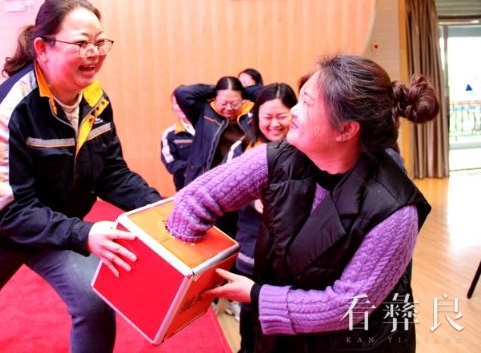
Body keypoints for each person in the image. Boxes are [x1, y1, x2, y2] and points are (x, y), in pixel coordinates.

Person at [0, 0, 162, 353]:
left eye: (99, 42)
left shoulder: (95, 99)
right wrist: (85, 233)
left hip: (56, 227)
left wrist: (159, 208)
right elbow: (11, 211)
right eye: (81, 43)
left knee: (94, 301)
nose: (94, 53)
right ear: (43, 48)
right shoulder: (8, 109)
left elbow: (111, 172)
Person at [167, 54, 439, 352]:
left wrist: (258, 296)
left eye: (307, 103)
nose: (293, 112)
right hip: (282, 333)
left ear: (346, 129)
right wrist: (184, 279)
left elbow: (346, 304)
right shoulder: (279, 157)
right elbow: (195, 200)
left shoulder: (396, 210)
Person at [223, 83, 297, 352]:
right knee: (251, 318)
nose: (274, 124)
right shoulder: (242, 149)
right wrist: (251, 198)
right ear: (256, 117)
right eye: (267, 117)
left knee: (287, 319)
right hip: (253, 248)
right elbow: (225, 192)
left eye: (281, 116)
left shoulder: (305, 147)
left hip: (294, 255)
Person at [173, 76, 254, 237]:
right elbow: (182, 93)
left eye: (235, 103)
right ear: (215, 99)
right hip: (205, 184)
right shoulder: (204, 112)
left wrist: (244, 91)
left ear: (243, 100)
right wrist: (216, 89)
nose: (229, 108)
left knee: (231, 234)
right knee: (202, 232)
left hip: (236, 185)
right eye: (223, 103)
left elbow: (269, 93)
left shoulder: (250, 117)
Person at [160, 93, 195, 191]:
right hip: (186, 188)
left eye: (185, 101)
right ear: (173, 108)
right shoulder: (169, 134)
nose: (181, 106)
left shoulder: (210, 129)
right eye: (177, 103)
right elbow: (171, 163)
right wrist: (195, 169)